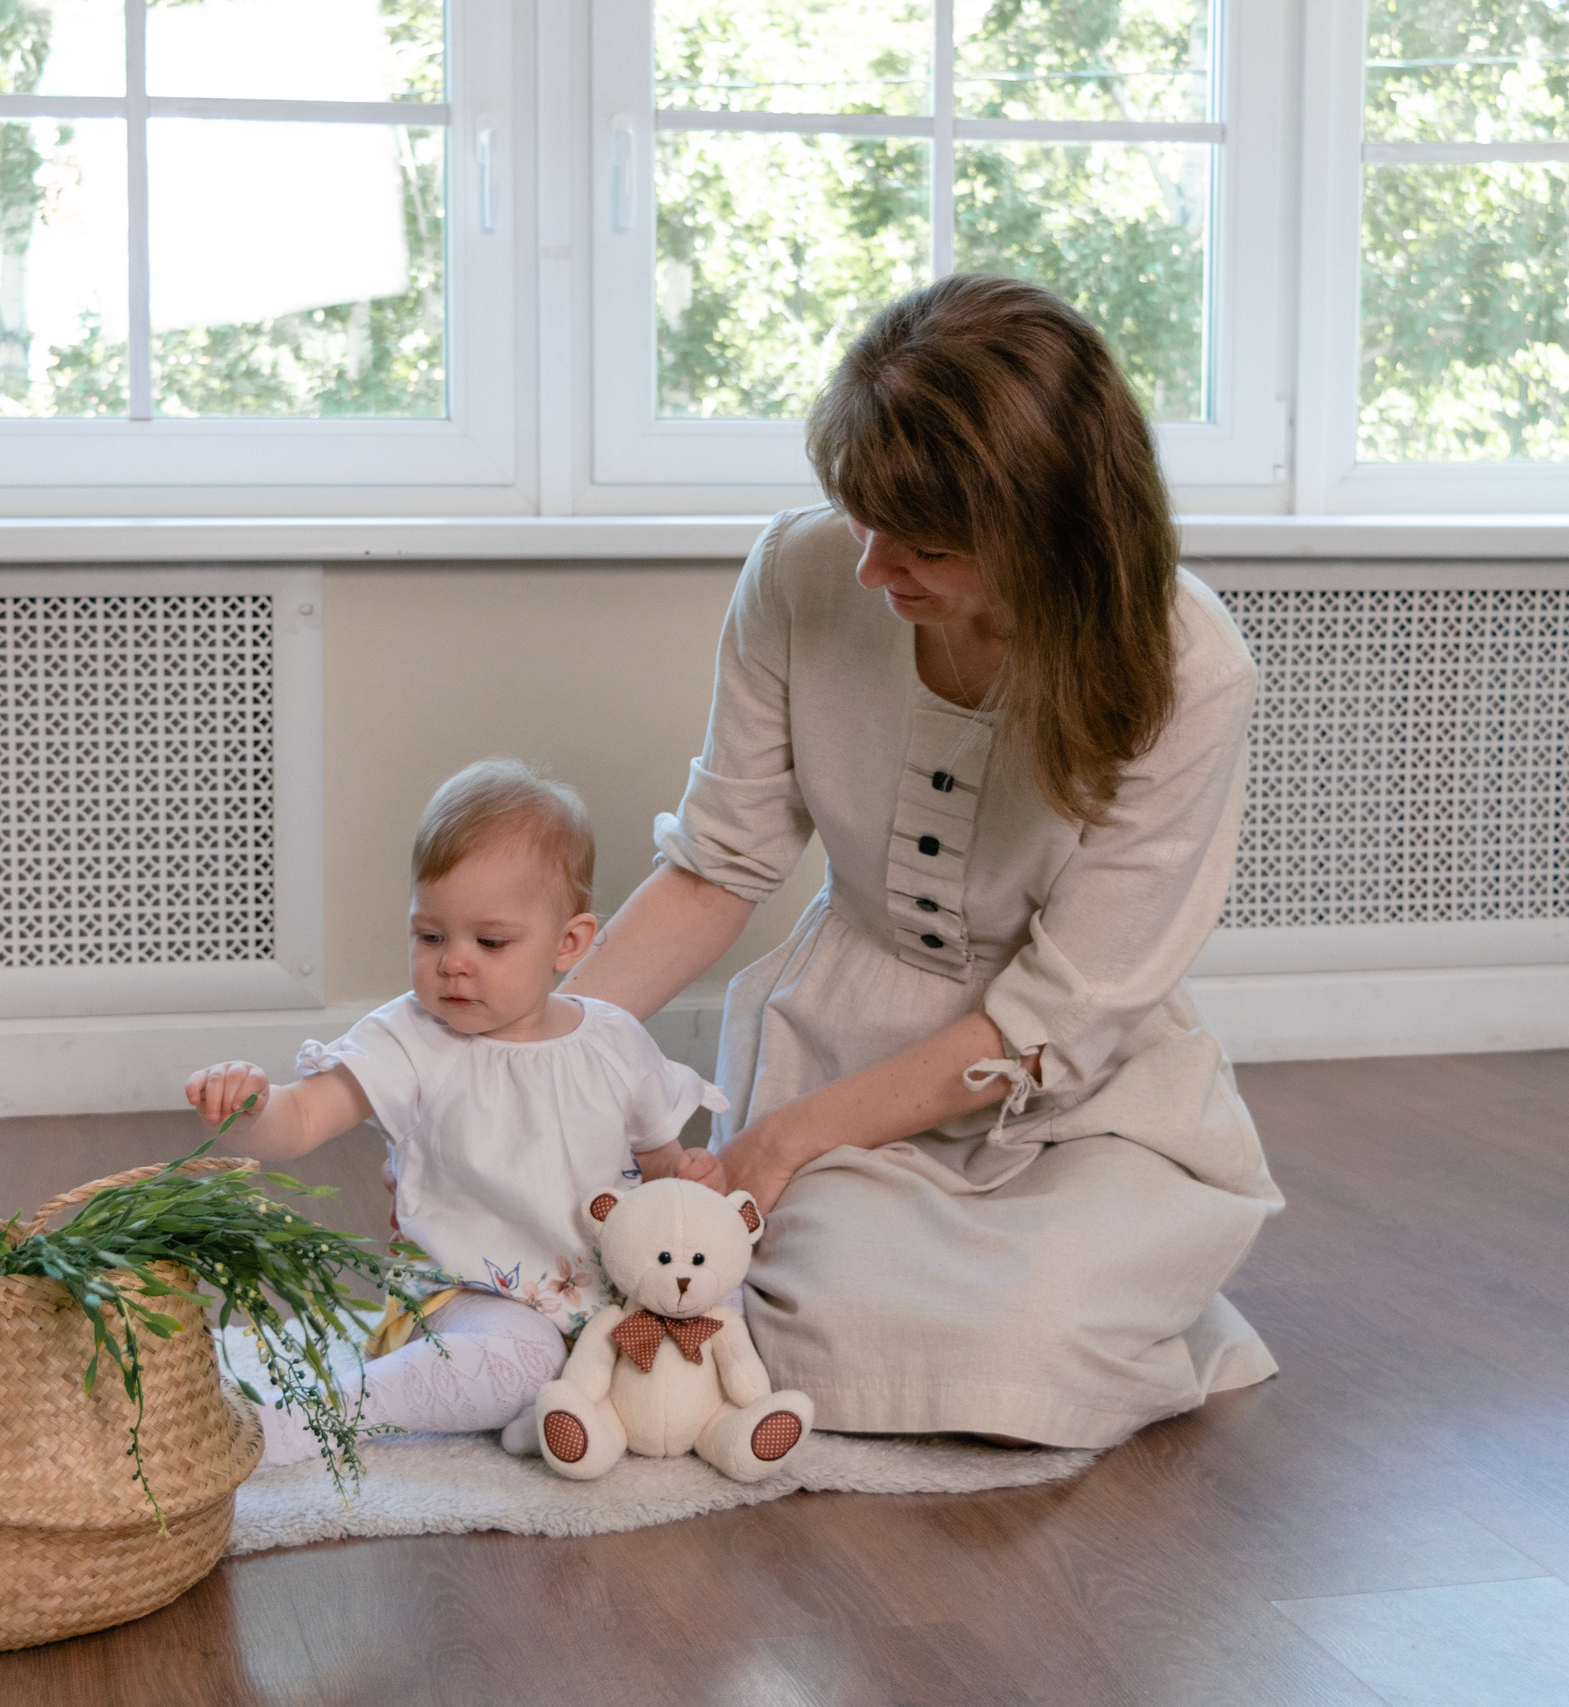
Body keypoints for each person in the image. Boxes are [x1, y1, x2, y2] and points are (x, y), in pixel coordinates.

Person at [560, 274, 1286, 1449]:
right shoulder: (796, 577)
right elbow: (717, 868)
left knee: (1022, 1336)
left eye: (926, 545)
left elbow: (1051, 1019)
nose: (869, 568)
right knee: (789, 1303)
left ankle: (1129, 1293)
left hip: (1082, 1099)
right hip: (844, 1053)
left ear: (1051, 540)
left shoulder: (1188, 670)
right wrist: (520, 1065)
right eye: (859, 516)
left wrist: (776, 1143)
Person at [185, 757, 728, 1466]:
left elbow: (659, 1169)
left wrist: (690, 1181)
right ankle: (318, 1416)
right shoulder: (412, 1038)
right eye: (430, 936)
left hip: (604, 1306)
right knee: (520, 1355)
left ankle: (565, 1409)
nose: (453, 963)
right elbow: (306, 1118)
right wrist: (251, 1108)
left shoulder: (613, 1041)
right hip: (458, 1302)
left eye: (490, 941)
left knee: (718, 1307)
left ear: (569, 942)